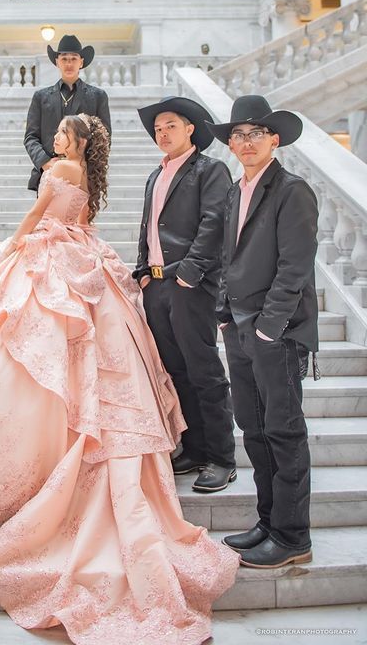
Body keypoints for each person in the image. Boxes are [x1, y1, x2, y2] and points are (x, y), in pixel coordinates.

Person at [0, 113, 239, 645]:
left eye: (62, 134)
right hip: (81, 252)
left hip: (61, 253)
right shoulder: (87, 174)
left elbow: (36, 212)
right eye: (56, 134)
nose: (55, 141)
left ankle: (54, 450)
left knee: (23, 341)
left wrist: (11, 247)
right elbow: (77, 219)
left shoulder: (59, 167)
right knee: (77, 351)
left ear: (77, 142)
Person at [207, 95, 318, 568]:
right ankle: (269, 522)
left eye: (255, 134)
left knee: (283, 431)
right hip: (239, 326)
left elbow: (295, 268)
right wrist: (224, 311)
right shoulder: (235, 190)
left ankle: (293, 538)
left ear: (274, 140)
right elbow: (228, 258)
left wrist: (269, 328)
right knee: (253, 430)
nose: (245, 142)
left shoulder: (293, 190)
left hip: (277, 332)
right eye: (238, 134)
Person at [133, 97, 236, 492]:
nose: (162, 133)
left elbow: (214, 224)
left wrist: (189, 275)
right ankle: (194, 448)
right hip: (156, 286)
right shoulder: (154, 175)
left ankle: (222, 458)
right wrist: (143, 271)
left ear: (190, 128)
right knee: (176, 371)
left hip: (189, 286)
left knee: (204, 369)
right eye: (158, 128)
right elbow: (148, 227)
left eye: (170, 125)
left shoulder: (210, 170)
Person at [24, 34, 111, 192]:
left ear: (81, 62)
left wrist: (83, 166)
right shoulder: (40, 97)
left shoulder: (98, 96)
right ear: (57, 62)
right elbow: (30, 137)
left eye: (73, 58)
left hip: (83, 175)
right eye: (64, 59)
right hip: (49, 172)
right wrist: (46, 162)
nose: (69, 63)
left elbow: (104, 138)